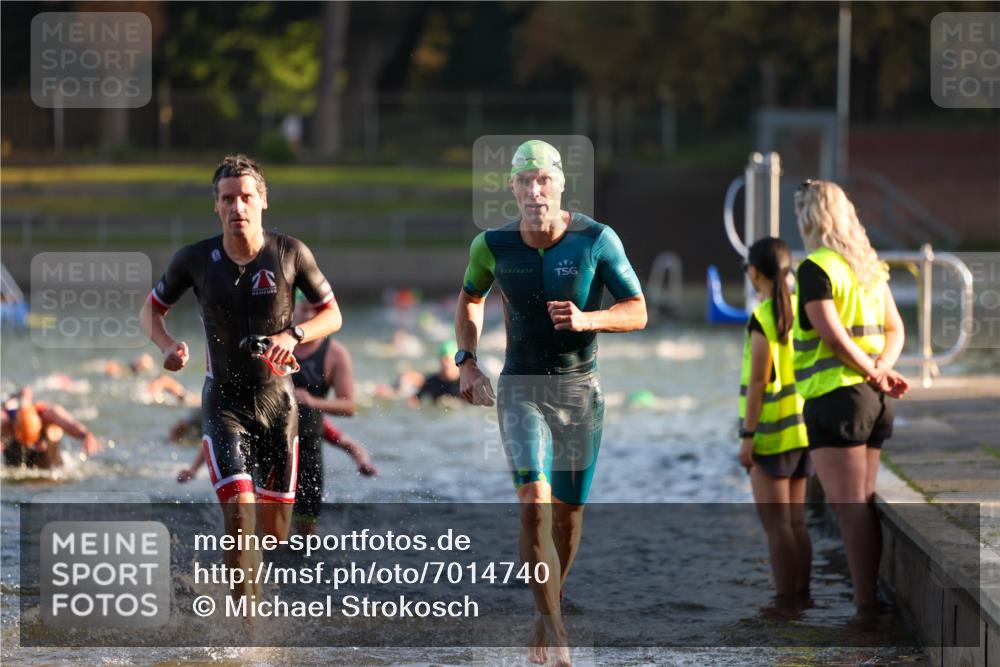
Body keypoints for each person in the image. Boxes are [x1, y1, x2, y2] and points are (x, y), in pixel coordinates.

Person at [456, 139, 646, 666]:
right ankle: (554, 629)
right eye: (525, 181)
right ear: (512, 188)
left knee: (567, 516)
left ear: (562, 185)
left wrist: (590, 319)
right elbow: (470, 297)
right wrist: (467, 361)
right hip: (520, 389)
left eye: (544, 180)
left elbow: (637, 309)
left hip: (580, 392)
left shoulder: (596, 240)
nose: (535, 190)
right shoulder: (491, 245)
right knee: (533, 505)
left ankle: (550, 603)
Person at [140, 154, 341, 603]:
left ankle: (251, 588)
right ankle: (245, 628)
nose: (238, 208)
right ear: (216, 206)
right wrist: (167, 346)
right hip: (224, 402)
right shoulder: (194, 259)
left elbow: (333, 314)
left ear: (263, 201)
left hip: (278, 404)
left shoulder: (290, 252)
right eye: (228, 199)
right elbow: (151, 310)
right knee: (238, 514)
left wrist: (295, 334)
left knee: (273, 532)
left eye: (246, 197)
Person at [792, 180, 909, 613]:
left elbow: (835, 339)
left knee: (850, 508)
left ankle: (864, 606)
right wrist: (881, 371)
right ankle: (867, 600)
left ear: (809, 218)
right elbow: (896, 329)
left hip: (836, 399)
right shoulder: (867, 267)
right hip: (875, 399)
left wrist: (870, 370)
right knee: (863, 499)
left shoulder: (815, 268)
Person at [738, 237, 812, 603]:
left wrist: (748, 436)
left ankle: (785, 603)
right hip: (803, 430)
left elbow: (757, 383)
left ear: (754, 272)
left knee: (777, 526)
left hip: (770, 434)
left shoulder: (763, 317)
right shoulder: (802, 308)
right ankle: (803, 596)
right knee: (797, 524)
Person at [290, 296, 377, 535]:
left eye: (314, 312)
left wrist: (363, 462)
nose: (308, 317)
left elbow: (350, 407)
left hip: (309, 445)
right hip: (272, 443)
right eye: (303, 310)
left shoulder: (335, 353)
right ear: (291, 310)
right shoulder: (277, 343)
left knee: (306, 535)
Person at [2, 387, 102, 469]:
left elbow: (70, 424)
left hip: (53, 469)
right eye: (24, 439)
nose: (29, 445)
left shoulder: (49, 416)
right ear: (15, 427)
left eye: (33, 440)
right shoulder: (5, 423)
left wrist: (85, 435)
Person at [408, 340, 462, 408]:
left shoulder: (467, 384)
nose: (446, 364)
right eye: (443, 360)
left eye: (449, 360)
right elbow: (415, 400)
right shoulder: (431, 382)